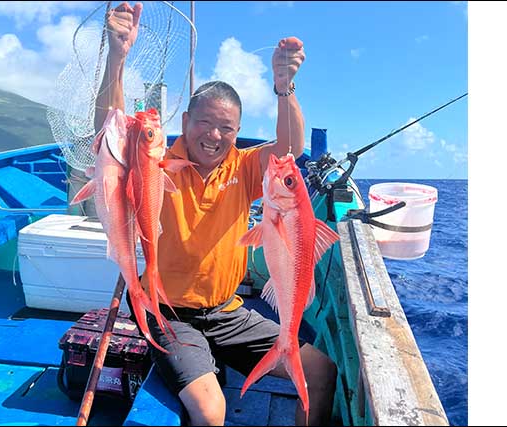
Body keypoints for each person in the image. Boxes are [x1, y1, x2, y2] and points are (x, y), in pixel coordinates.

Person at [95, 3, 337, 425]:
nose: (214, 135)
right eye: (205, 123)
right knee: (211, 410)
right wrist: (117, 59)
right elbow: (112, 130)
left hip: (229, 311)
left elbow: (291, 151)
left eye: (226, 127)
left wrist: (284, 87)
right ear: (186, 121)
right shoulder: (157, 161)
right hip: (171, 316)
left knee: (320, 371)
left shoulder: (244, 167)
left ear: (237, 132)